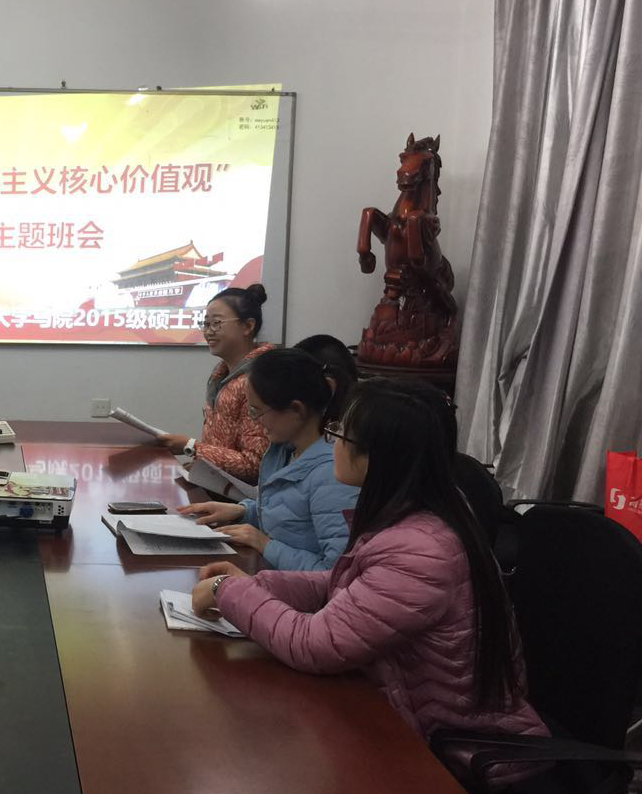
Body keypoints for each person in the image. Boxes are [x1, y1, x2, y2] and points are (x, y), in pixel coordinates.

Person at [191, 378, 548, 769]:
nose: (331, 443)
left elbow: (316, 644)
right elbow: (350, 585)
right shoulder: (423, 509)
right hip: (405, 713)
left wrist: (228, 591)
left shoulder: (421, 551)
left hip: (457, 754)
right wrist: (258, 585)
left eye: (339, 433)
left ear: (377, 456)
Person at [178, 347, 358, 570]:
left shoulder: (332, 474)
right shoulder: (284, 451)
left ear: (296, 410)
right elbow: (287, 515)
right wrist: (243, 512)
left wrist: (265, 544)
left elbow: (336, 573)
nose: (255, 421)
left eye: (257, 411)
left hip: (294, 588)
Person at [156, 284, 273, 484]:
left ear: (247, 326)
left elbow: (254, 465)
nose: (208, 332)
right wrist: (201, 466)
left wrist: (191, 447)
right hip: (216, 488)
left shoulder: (262, 378)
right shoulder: (220, 376)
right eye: (205, 324)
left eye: (216, 323)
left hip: (242, 498)